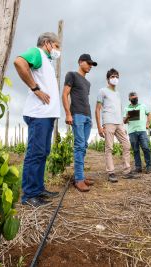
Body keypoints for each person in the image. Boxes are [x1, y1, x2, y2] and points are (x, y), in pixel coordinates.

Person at [14, 32, 61, 207]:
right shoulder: (37, 52)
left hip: (46, 115)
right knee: (35, 153)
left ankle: (38, 188)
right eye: (56, 46)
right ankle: (29, 195)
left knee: (42, 153)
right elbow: (19, 62)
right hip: (38, 113)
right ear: (47, 43)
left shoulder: (46, 61)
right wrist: (36, 88)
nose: (58, 50)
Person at [62, 54, 97, 192]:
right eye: (88, 63)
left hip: (87, 117)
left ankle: (80, 176)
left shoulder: (88, 83)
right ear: (80, 62)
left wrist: (90, 117)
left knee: (84, 146)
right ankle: (79, 180)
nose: (90, 66)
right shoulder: (71, 75)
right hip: (77, 115)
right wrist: (68, 113)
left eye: (91, 64)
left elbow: (84, 99)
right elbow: (65, 94)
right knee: (79, 146)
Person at [95, 68, 136, 182]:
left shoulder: (118, 94)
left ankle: (127, 170)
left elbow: (119, 109)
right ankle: (111, 172)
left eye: (117, 76)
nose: (115, 79)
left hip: (119, 123)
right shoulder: (102, 91)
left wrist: (123, 124)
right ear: (108, 79)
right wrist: (99, 126)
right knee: (109, 147)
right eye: (113, 76)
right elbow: (97, 109)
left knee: (127, 145)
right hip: (108, 122)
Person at [123, 92, 151, 174]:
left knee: (146, 148)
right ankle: (138, 167)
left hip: (142, 130)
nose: (134, 98)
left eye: (135, 97)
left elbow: (149, 114)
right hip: (132, 131)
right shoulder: (126, 108)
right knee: (135, 150)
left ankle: (149, 166)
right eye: (132, 97)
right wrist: (127, 117)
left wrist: (148, 124)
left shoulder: (142, 106)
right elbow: (124, 121)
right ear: (129, 99)